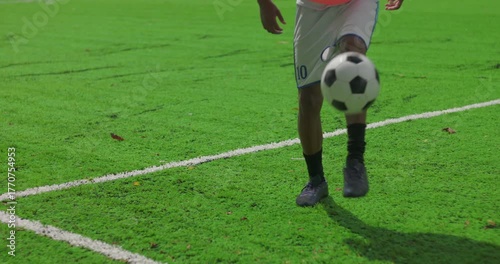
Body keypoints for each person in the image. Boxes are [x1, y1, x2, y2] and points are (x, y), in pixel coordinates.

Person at [257, 0, 404, 206]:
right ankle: (316, 180)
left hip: (356, 3)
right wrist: (264, 4)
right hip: (312, 7)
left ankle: (355, 161)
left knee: (352, 54)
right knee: (309, 99)